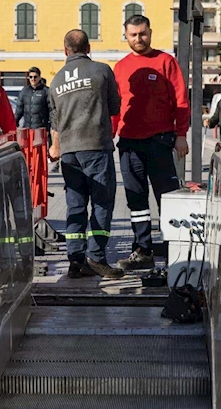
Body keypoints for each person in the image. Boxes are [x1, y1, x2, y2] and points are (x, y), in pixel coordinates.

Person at [112, 15, 190, 271]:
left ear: (150, 32)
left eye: (142, 33)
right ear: (126, 35)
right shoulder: (121, 67)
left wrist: (181, 134)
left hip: (160, 141)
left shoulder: (166, 62)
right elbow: (116, 108)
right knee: (136, 201)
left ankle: (173, 251)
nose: (138, 39)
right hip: (129, 143)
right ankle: (142, 251)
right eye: (133, 35)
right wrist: (109, 137)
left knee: (166, 198)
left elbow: (180, 100)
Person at [48, 30, 123, 279]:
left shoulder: (56, 80)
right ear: (88, 48)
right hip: (95, 146)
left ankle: (76, 260)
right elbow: (114, 106)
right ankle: (97, 258)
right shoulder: (102, 71)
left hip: (69, 151)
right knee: (102, 202)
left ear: (65, 50)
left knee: (75, 206)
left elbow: (55, 121)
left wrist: (56, 146)